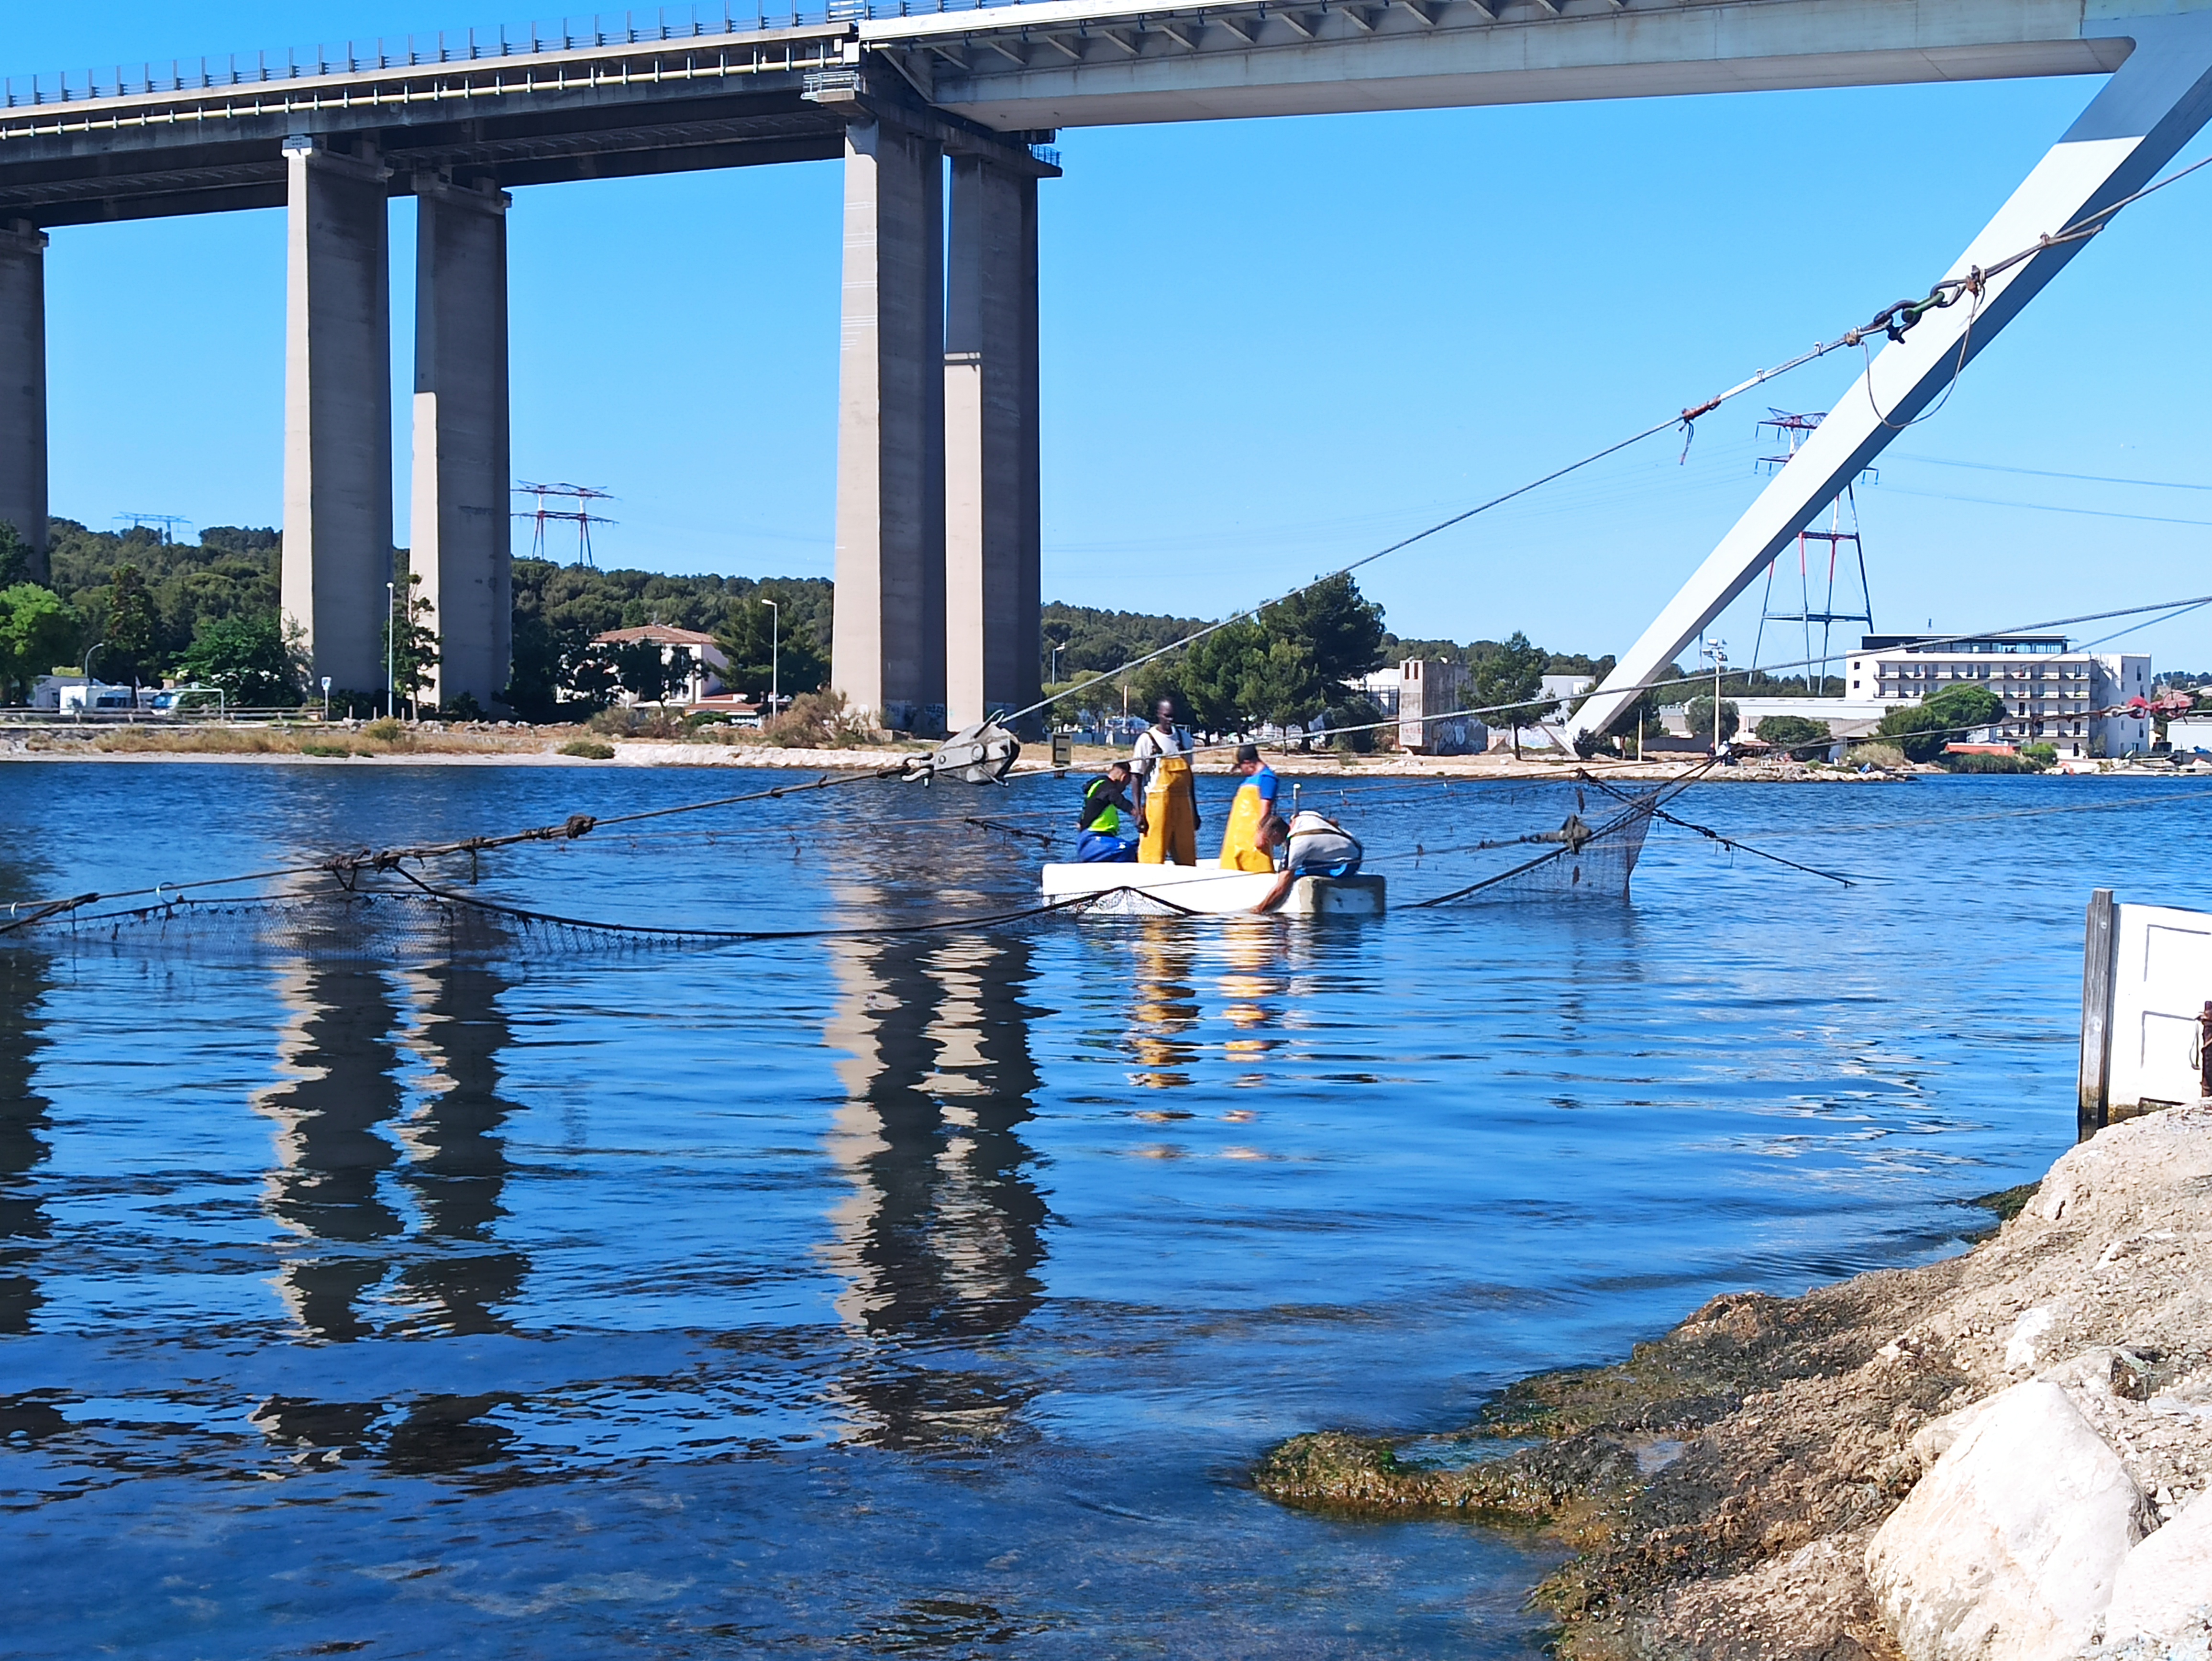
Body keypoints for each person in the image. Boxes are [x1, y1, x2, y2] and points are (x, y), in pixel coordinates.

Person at [1130, 699, 1200, 865]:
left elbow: (1189, 776)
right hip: (1157, 803)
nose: (1171, 720)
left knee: (1186, 853)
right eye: (1167, 716)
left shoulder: (1184, 738)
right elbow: (1136, 776)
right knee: (1153, 853)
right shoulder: (1147, 740)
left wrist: (1195, 811)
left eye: (1173, 717)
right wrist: (1139, 812)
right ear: (1159, 715)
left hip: (1183, 803)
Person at [1253, 809, 1363, 911]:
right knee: (1293, 867)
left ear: (1276, 834)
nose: (1271, 845)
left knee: (1293, 874)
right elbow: (1333, 822)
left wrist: (1260, 910)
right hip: (1354, 846)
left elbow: (1282, 887)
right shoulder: (1303, 816)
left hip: (1348, 864)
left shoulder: (1297, 844)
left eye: (1269, 841)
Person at [1217, 743, 1280, 872]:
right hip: (1237, 838)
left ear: (1248, 763)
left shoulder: (1267, 778)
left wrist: (1261, 833)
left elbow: (1266, 806)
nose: (1242, 771)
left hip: (1252, 837)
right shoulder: (1250, 779)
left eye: (1241, 767)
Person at [1076, 760, 1139, 863]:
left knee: (1137, 845)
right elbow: (1118, 799)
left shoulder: (1100, 786)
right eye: (1126, 786)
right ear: (1124, 778)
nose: (1124, 790)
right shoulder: (1106, 787)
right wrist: (1137, 813)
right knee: (1126, 849)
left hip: (1103, 840)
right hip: (1092, 841)